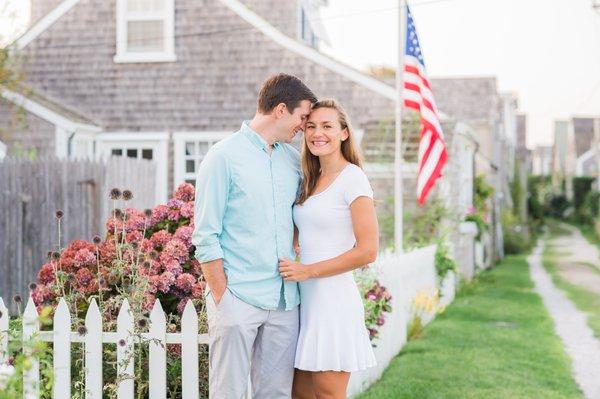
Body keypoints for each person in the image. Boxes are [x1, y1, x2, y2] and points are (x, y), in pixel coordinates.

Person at [192, 73, 317, 398]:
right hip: (239, 298)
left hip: (284, 301)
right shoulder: (223, 157)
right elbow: (205, 235)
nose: (304, 127)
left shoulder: (293, 160)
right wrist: (223, 298)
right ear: (280, 110)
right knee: (228, 392)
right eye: (303, 117)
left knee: (275, 394)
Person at [278, 99, 379, 399]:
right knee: (300, 395)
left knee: (328, 395)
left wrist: (308, 270)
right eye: (311, 126)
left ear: (344, 133)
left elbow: (368, 251)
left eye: (327, 126)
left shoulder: (353, 178)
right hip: (306, 302)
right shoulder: (310, 178)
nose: (316, 133)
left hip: (332, 302)